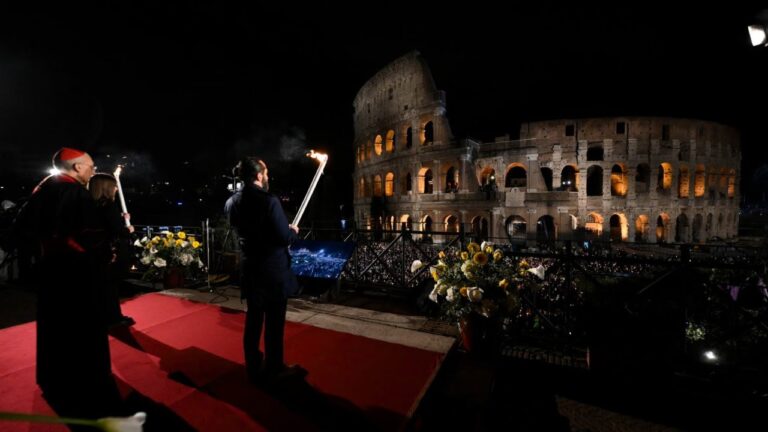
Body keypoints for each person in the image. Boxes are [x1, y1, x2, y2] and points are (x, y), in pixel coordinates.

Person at [12, 147, 121, 420]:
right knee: (82, 327)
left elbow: (19, 229)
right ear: (77, 167)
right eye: (90, 166)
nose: (93, 171)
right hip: (77, 273)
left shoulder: (42, 188)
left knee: (54, 326)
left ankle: (54, 378)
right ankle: (86, 382)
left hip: (49, 270)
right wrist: (106, 254)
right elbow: (91, 236)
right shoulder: (75, 192)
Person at [224, 157, 306, 386]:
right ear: (259, 175)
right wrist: (293, 231)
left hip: (250, 268)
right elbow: (283, 237)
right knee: (274, 323)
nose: (268, 177)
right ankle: (274, 367)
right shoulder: (269, 201)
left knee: (253, 320)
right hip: (272, 271)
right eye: (266, 173)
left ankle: (253, 365)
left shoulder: (231, 202)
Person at [89, 173, 136, 327]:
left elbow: (102, 224)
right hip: (109, 251)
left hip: (95, 250)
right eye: (114, 186)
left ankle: (100, 315)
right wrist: (128, 229)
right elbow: (117, 231)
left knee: (101, 285)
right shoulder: (109, 205)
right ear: (107, 187)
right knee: (110, 285)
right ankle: (114, 318)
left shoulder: (91, 205)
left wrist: (119, 217)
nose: (116, 189)